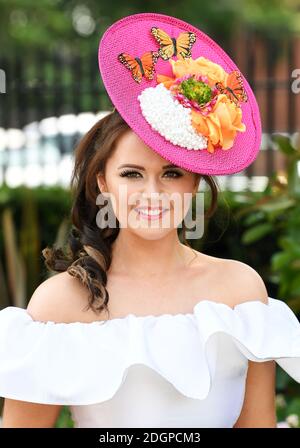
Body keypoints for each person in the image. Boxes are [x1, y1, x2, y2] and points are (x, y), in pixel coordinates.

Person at [0, 12, 300, 428]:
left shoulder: (240, 291)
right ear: (102, 182)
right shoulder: (60, 303)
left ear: (195, 183)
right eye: (132, 175)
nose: (153, 194)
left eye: (172, 174)